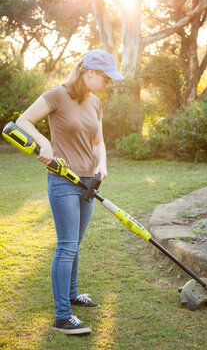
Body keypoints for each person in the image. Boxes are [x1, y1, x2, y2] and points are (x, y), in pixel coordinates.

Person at [16, 49, 124, 335]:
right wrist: (45, 144)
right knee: (66, 245)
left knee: (76, 241)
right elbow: (23, 121)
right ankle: (62, 317)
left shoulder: (96, 103)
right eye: (105, 78)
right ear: (89, 73)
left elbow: (98, 140)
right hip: (63, 180)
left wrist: (102, 163)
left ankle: (73, 295)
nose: (107, 84)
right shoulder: (57, 95)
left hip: (88, 182)